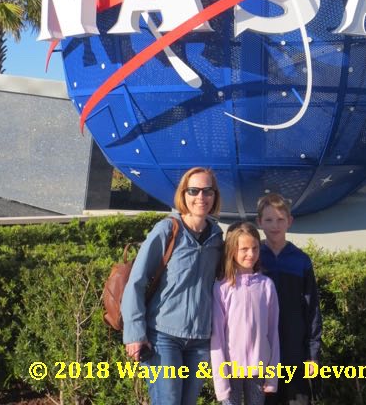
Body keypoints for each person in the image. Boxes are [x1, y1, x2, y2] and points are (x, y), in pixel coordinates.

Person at [121, 167, 224, 405]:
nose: (201, 197)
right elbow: (136, 280)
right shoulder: (168, 229)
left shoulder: (217, 238)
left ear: (215, 196)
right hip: (163, 336)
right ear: (183, 194)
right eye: (194, 190)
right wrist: (135, 333)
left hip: (199, 340)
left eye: (207, 191)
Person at [257, 193, 322, 405]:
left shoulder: (301, 260)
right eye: (268, 220)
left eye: (280, 219)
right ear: (259, 222)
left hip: (295, 353)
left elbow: (312, 309)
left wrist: (312, 354)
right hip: (262, 354)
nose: (274, 225)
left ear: (289, 222)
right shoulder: (253, 257)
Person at [211, 221, 280, 405]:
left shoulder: (267, 286)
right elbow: (217, 337)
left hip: (259, 371)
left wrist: (272, 376)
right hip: (230, 372)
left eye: (255, 248)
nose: (251, 254)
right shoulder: (222, 288)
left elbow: (273, 333)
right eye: (244, 249)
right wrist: (221, 382)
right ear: (232, 250)